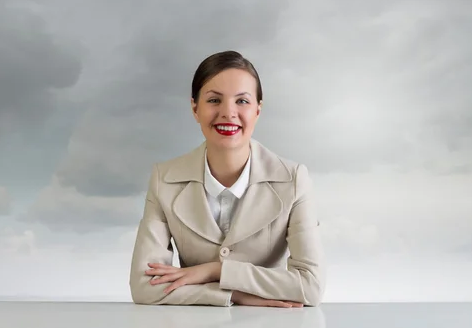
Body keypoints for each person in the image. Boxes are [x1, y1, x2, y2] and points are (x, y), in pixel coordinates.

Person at [129, 50, 326, 307]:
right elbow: (144, 288)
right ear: (194, 108)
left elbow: (310, 287)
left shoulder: (293, 179)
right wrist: (235, 295)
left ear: (258, 109)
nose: (228, 112)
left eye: (242, 101)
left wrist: (217, 271)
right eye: (214, 100)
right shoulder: (163, 179)